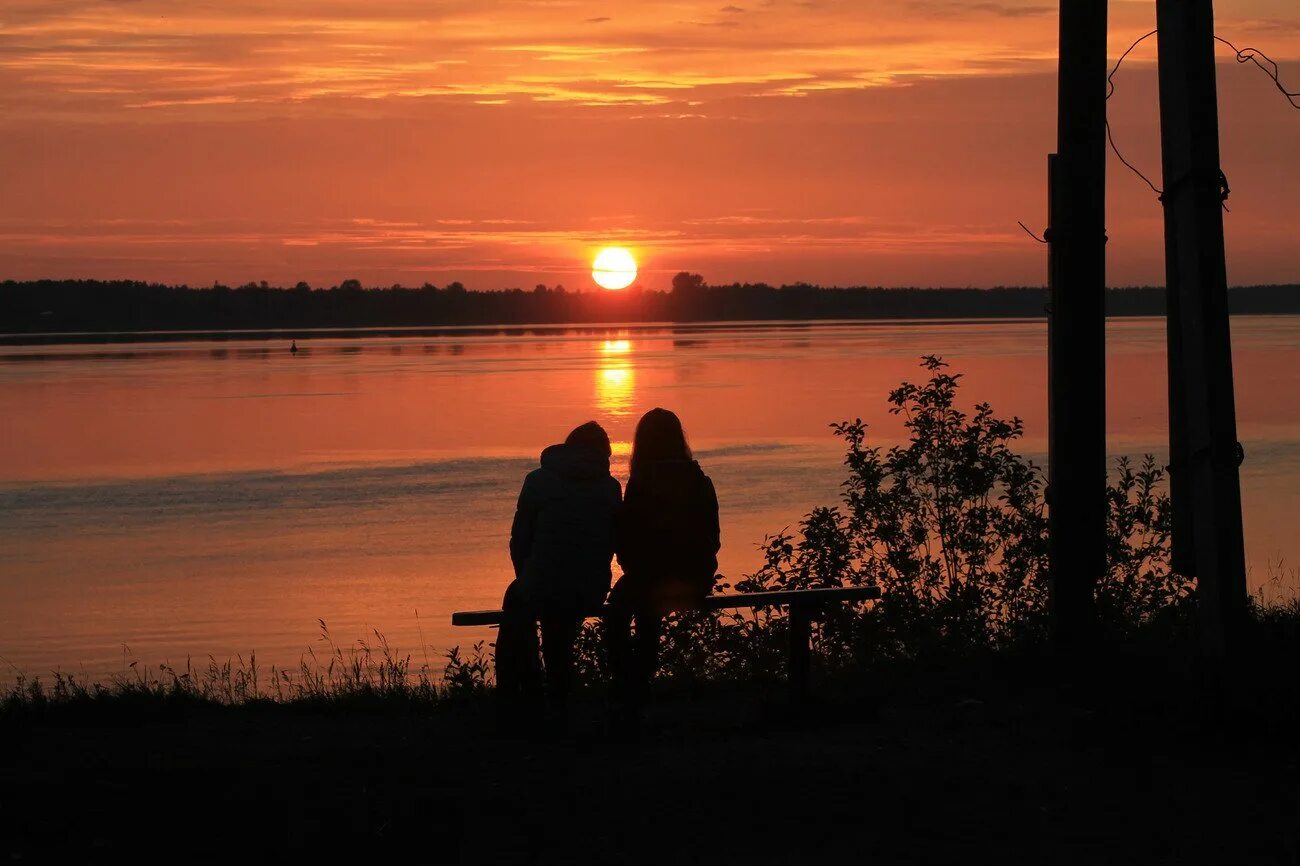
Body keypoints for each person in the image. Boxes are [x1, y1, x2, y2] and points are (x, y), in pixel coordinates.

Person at [497, 421, 622, 712]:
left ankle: (519, 692)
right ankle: (556, 699)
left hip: (543, 582)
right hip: (590, 587)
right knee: (558, 621)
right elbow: (612, 542)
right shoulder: (610, 487)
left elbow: (520, 540)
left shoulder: (538, 481)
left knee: (517, 601)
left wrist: (529, 577)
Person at [606, 408, 720, 716]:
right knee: (646, 606)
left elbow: (626, 540)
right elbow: (713, 535)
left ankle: (630, 685)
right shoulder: (699, 479)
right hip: (695, 577)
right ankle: (638, 685)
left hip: (653, 578)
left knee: (618, 613)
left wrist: (637, 571)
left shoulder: (642, 483)